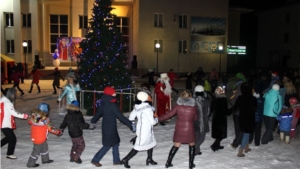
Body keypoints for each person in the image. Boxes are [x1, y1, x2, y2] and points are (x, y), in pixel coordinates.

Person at [90, 86, 133, 167]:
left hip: (107, 127)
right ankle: (95, 160)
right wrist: (130, 124)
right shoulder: (112, 105)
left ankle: (116, 160)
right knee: (107, 145)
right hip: (110, 128)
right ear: (110, 94)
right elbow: (120, 117)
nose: (115, 93)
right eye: (114, 92)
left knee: (115, 143)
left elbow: (98, 114)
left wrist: (93, 121)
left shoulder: (104, 103)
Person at [158, 90, 197, 169]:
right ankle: (190, 164)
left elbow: (168, 115)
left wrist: (158, 119)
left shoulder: (177, 106)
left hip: (179, 128)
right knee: (192, 145)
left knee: (176, 145)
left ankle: (168, 163)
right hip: (189, 128)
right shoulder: (193, 108)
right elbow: (195, 118)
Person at [121, 91, 158, 168]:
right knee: (138, 146)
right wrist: (156, 119)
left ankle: (149, 159)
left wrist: (134, 123)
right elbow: (153, 122)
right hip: (145, 130)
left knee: (150, 143)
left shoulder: (138, 107)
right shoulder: (147, 109)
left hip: (142, 129)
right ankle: (126, 159)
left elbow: (131, 117)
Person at [27, 103, 62, 168]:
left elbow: (29, 121)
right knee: (36, 151)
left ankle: (45, 159)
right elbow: (51, 128)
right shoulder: (45, 120)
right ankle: (30, 164)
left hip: (36, 137)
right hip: (40, 138)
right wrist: (59, 132)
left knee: (44, 147)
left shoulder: (32, 117)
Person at [0, 88, 29, 159]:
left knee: (8, 138)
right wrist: (24, 116)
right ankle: (10, 154)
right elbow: (14, 113)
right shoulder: (7, 103)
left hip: (4, 122)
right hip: (5, 123)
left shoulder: (2, 101)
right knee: (12, 139)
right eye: (13, 94)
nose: (14, 95)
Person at [232, 83, 257, 157]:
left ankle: (246, 148)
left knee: (246, 133)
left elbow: (235, 108)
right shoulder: (253, 99)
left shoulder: (240, 98)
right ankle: (240, 151)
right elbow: (255, 108)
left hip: (242, 117)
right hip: (250, 118)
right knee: (246, 134)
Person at [230, 72, 247, 149]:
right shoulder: (240, 86)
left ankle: (237, 142)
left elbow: (233, 98)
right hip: (240, 110)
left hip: (238, 110)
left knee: (239, 127)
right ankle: (239, 140)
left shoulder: (238, 87)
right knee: (239, 127)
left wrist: (234, 104)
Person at [211, 86, 230, 152]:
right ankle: (214, 145)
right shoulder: (223, 100)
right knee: (220, 134)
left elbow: (211, 109)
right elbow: (226, 111)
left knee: (218, 134)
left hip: (215, 117)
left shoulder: (214, 99)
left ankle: (217, 145)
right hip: (221, 118)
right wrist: (232, 110)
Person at [194, 85, 210, 155]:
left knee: (197, 136)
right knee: (202, 137)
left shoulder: (193, 100)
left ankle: (197, 150)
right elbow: (208, 111)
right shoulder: (206, 100)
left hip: (195, 121)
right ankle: (194, 149)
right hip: (203, 121)